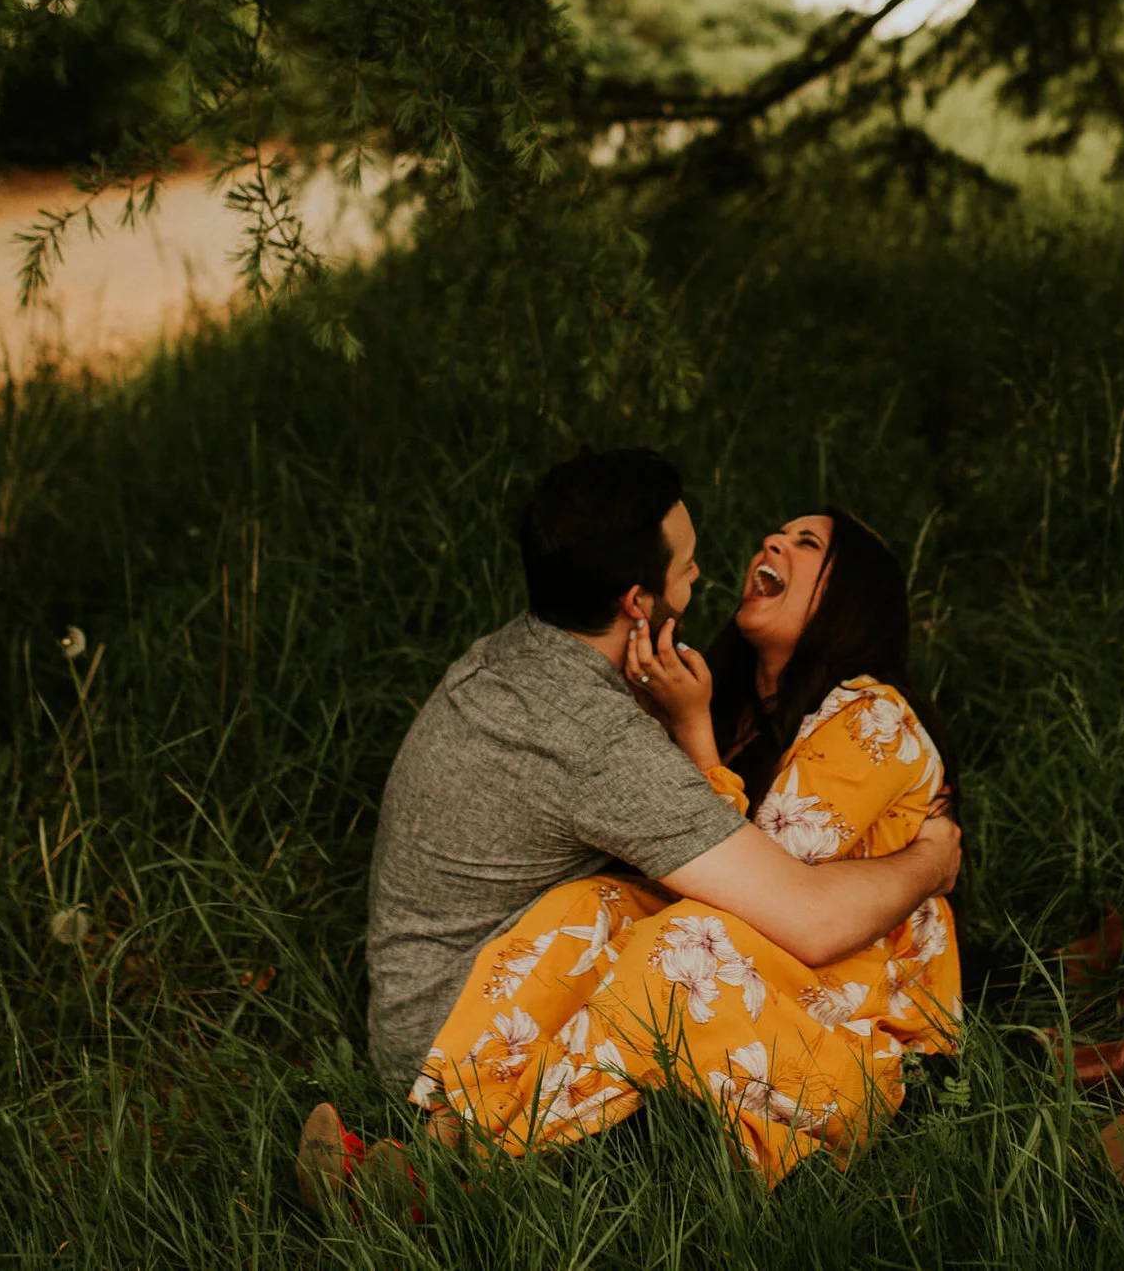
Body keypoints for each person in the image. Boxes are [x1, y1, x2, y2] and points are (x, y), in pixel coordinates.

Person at [307, 451, 959, 1200]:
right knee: (653, 945)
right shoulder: (600, 740)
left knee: (647, 936)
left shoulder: (515, 651)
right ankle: (454, 1163)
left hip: (442, 1007)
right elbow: (799, 912)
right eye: (685, 567)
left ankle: (435, 1165)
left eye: (806, 543)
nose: (704, 575)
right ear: (638, 603)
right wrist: (931, 863)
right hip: (468, 1029)